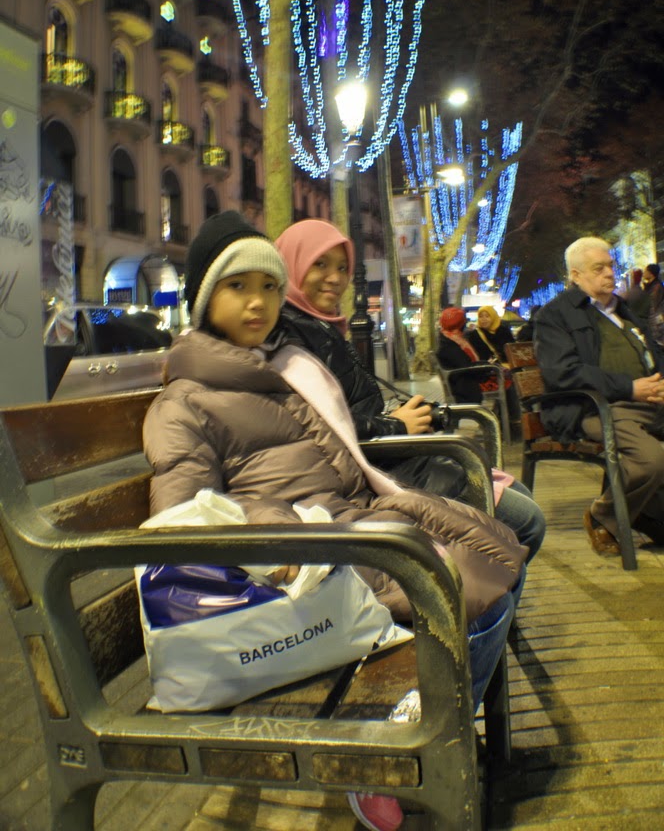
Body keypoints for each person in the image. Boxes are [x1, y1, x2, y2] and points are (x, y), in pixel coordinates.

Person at [144, 211, 528, 831]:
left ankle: (418, 726)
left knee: (501, 552)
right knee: (476, 586)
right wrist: (285, 543)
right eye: (238, 286)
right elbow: (183, 523)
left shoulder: (279, 370)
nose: (259, 302)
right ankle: (397, 745)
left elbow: (338, 461)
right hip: (304, 556)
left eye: (269, 287)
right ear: (202, 297)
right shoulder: (185, 400)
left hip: (344, 524)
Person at [274, 220, 545, 563]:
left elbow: (347, 408)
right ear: (291, 265)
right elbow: (313, 427)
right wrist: (397, 426)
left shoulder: (319, 329)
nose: (335, 277)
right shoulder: (291, 339)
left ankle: (488, 605)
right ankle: (484, 611)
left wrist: (404, 415)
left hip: (391, 457)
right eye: (320, 264)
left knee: (519, 501)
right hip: (376, 471)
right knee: (526, 522)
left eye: (343, 267)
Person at [534, 236, 664, 556]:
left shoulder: (623, 310)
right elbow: (562, 371)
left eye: (610, 266)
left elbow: (652, 354)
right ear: (576, 275)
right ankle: (603, 515)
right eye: (599, 268)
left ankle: (645, 514)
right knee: (651, 460)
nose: (609, 273)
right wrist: (630, 387)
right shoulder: (556, 314)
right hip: (596, 408)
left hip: (644, 403)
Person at [436, 306, 502, 403]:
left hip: (464, 381)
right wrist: (487, 365)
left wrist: (485, 364)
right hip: (465, 386)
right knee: (506, 380)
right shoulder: (450, 345)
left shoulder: (449, 339)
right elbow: (466, 366)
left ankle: (502, 414)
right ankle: (511, 415)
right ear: (459, 324)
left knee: (505, 376)